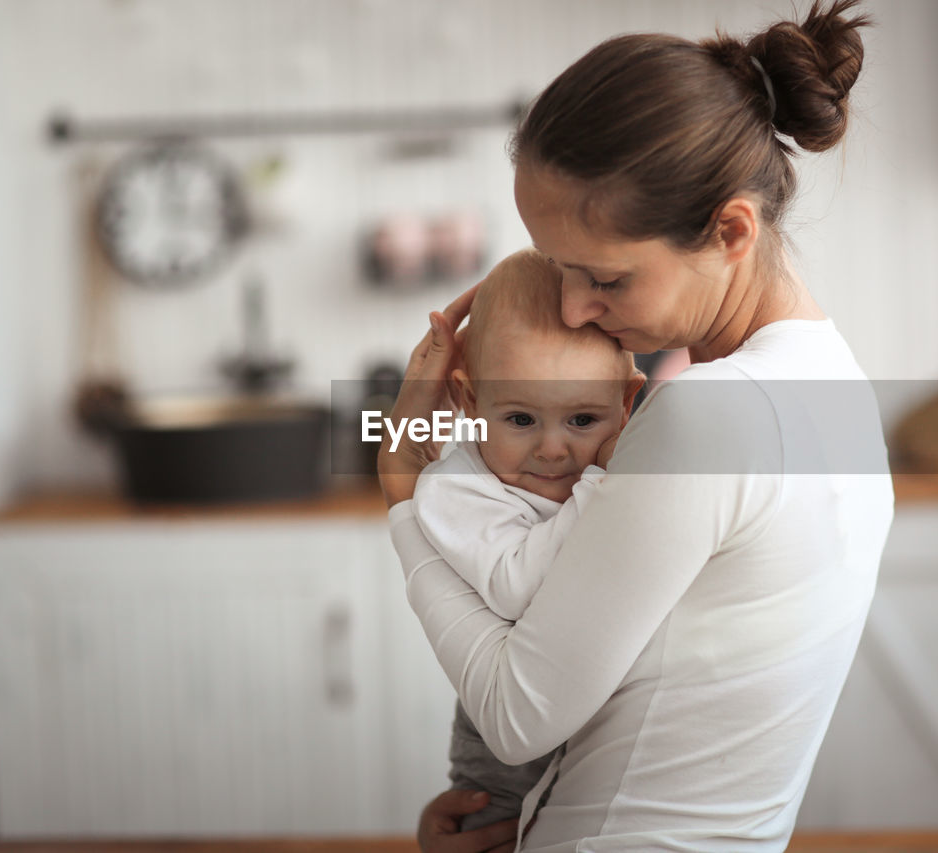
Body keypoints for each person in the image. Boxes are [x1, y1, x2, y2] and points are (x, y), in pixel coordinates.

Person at [379, 2, 895, 850]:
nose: (575, 308)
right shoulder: (835, 382)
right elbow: (668, 697)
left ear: (731, 229)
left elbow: (515, 714)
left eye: (605, 278)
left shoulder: (706, 414)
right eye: (558, 269)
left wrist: (403, 491)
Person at [411, 247, 643, 832]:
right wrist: (601, 487)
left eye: (583, 421)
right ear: (469, 399)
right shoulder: (455, 488)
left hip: (606, 727)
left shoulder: (624, 465)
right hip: (504, 761)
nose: (553, 449)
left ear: (627, 403)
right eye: (520, 419)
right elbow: (517, 588)